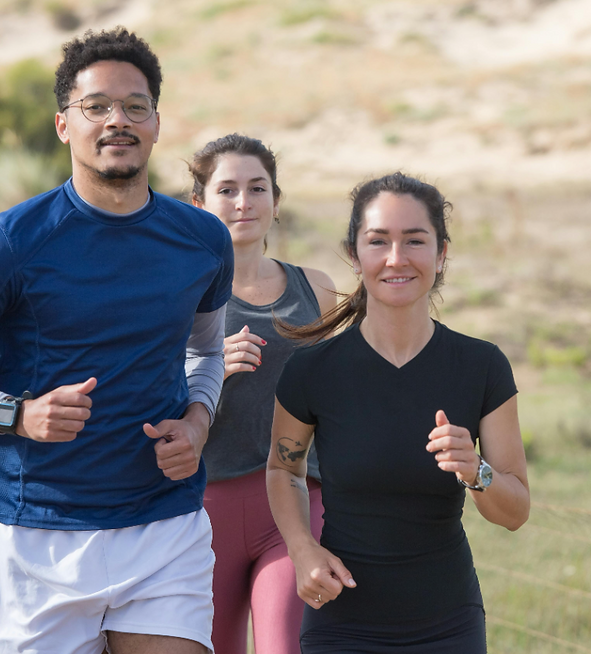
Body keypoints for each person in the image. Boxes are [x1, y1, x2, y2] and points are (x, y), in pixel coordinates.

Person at [0, 28, 234, 654]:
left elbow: (205, 353)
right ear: (63, 125)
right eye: (96, 107)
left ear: (157, 123)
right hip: (39, 533)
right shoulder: (12, 242)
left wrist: (197, 420)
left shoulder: (202, 240)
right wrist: (17, 414)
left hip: (164, 523)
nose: (118, 121)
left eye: (136, 106)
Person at [266, 172, 531, 653]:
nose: (396, 258)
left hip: (448, 624)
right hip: (340, 623)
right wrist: (301, 548)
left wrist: (476, 471)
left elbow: (515, 512)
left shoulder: (481, 366)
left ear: (442, 252)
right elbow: (283, 470)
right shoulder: (312, 370)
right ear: (354, 253)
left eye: (415, 241)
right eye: (378, 241)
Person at [188, 134, 336, 654]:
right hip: (204, 507)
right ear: (199, 204)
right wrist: (204, 368)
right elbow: (142, 398)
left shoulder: (316, 290)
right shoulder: (178, 297)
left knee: (283, 646)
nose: (244, 202)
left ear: (277, 200)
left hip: (296, 500)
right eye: (227, 189)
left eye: (258, 188)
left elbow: (344, 393)